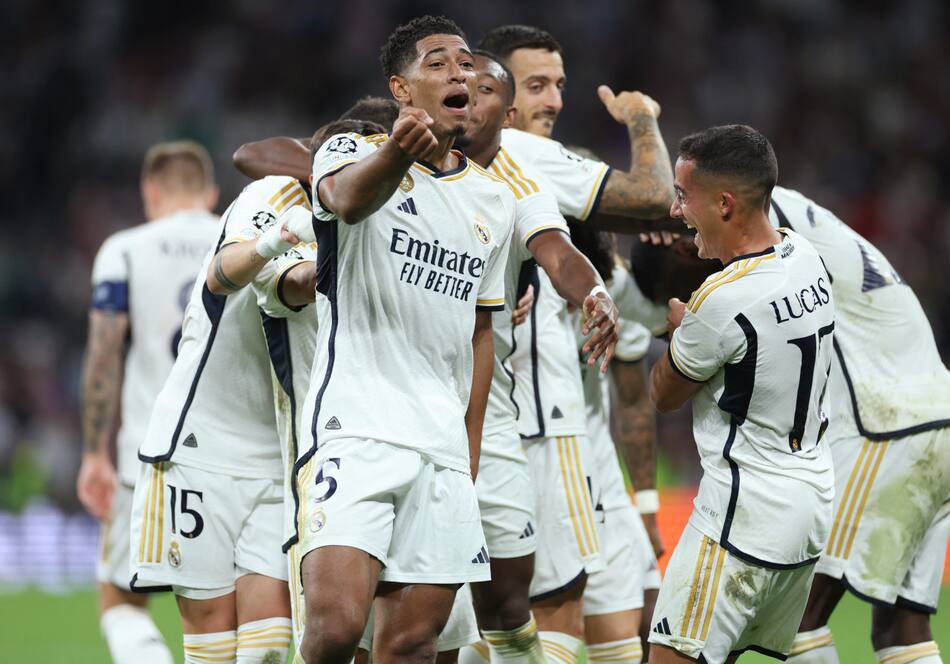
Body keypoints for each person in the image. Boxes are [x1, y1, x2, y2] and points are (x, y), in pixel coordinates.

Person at [291, 16, 514, 664]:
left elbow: (480, 332)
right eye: (438, 63)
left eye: (466, 63)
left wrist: (468, 452)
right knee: (335, 629)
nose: (459, 73)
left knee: (414, 644)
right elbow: (345, 201)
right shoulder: (351, 148)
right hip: (356, 428)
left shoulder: (493, 201)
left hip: (441, 444)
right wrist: (396, 152)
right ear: (401, 87)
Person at [476, 25, 675, 664]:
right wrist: (641, 117)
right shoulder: (519, 152)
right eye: (537, 85)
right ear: (496, 94)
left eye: (560, 85)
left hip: (552, 443)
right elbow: (654, 195)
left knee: (571, 623)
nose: (556, 100)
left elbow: (644, 338)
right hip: (538, 431)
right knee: (547, 614)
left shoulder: (467, 172)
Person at [453, 50, 620, 664]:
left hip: (508, 418)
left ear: (508, 112)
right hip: (406, 414)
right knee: (417, 616)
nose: (468, 97)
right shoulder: (398, 165)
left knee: (513, 605)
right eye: (459, 84)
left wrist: (593, 293)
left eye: (485, 90)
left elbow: (559, 252)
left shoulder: (519, 182)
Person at [648, 125, 837, 663]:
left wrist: (681, 329)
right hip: (808, 509)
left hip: (741, 517)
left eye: (683, 195)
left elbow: (664, 394)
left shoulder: (722, 299)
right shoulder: (806, 257)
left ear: (724, 204)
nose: (676, 210)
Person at [127, 166, 317, 662]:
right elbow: (221, 275)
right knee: (211, 643)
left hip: (278, 456)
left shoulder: (381, 231)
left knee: (269, 646)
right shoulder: (274, 194)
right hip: (199, 444)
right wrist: (279, 238)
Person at [763, 186, 949, 664]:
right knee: (901, 629)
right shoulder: (833, 238)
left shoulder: (772, 210)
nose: (681, 212)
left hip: (889, 428)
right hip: (936, 421)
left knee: (795, 611)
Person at [77, 140, 219, 664]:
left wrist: (95, 454)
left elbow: (104, 353)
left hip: (149, 456)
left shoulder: (124, 249)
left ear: (150, 193)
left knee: (120, 600)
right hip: (237, 461)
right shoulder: (242, 234)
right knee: (227, 613)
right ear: (210, 193)